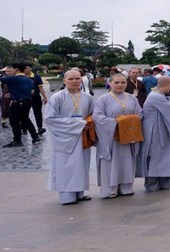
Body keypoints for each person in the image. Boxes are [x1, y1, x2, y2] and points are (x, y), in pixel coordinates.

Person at [43, 69, 93, 204]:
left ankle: (80, 193)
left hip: (81, 137)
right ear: (64, 81)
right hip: (64, 137)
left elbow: (91, 115)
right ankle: (67, 196)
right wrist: (78, 124)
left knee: (81, 165)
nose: (74, 81)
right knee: (66, 167)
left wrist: (88, 124)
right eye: (71, 79)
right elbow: (50, 119)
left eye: (77, 78)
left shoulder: (87, 97)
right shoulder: (57, 97)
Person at [92, 73, 142, 199]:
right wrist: (117, 123)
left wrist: (128, 122)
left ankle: (126, 187)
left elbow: (140, 114)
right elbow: (97, 117)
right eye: (116, 82)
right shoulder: (103, 99)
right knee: (110, 163)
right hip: (111, 138)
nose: (120, 85)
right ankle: (110, 189)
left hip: (127, 137)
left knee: (127, 162)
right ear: (110, 83)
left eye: (123, 82)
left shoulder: (132, 98)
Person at [137, 75, 170, 191]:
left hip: (159, 130)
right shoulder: (156, 96)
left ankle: (163, 183)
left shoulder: (157, 95)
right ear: (166, 85)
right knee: (155, 157)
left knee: (162, 157)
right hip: (155, 132)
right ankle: (153, 184)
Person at [1, 63, 39, 146]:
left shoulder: (14, 78)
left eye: (12, 69)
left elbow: (3, 79)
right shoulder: (28, 79)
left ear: (16, 70)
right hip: (27, 102)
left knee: (14, 122)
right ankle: (35, 136)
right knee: (25, 119)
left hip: (17, 103)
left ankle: (17, 140)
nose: (11, 71)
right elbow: (30, 90)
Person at [25, 63, 47, 134]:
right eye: (24, 68)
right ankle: (24, 127)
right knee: (24, 113)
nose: (25, 69)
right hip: (25, 98)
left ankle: (40, 128)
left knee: (38, 113)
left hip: (35, 97)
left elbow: (40, 87)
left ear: (30, 68)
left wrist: (44, 96)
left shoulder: (36, 76)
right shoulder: (21, 77)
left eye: (27, 68)